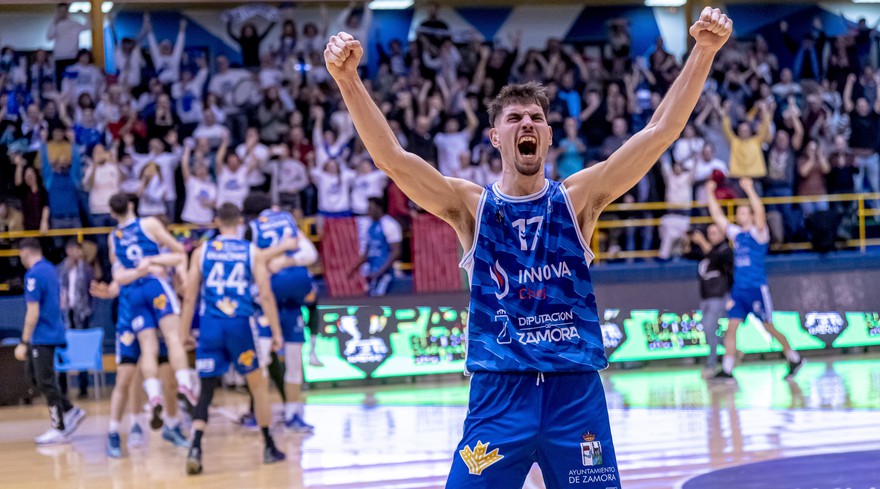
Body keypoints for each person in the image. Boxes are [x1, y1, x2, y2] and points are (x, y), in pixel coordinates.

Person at [323, 9, 731, 486]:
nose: (527, 123)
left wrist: (703, 52)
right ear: (496, 136)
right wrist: (348, 79)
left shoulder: (577, 198)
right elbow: (392, 159)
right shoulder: (472, 207)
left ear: (549, 135)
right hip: (500, 394)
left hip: (574, 392)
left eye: (536, 117)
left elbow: (659, 132)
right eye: (514, 118)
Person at [179, 203, 290, 475]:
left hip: (210, 326)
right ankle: (268, 445)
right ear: (240, 221)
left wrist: (183, 333)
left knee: (205, 390)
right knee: (258, 386)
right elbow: (265, 295)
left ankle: (195, 446)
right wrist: (276, 332)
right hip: (240, 325)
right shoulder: (251, 252)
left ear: (216, 222)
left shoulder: (202, 251)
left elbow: (190, 295)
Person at [108, 193, 198, 423]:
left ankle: (154, 395)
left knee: (148, 348)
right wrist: (154, 263)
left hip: (133, 294)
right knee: (173, 338)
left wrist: (136, 271)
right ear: (131, 205)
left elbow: (118, 276)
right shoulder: (148, 224)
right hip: (155, 286)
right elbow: (179, 253)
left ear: (111, 213)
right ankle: (185, 385)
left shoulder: (113, 238)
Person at [705, 177, 804, 382]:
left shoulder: (759, 233)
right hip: (739, 290)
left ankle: (794, 357)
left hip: (757, 289)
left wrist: (749, 190)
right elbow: (718, 217)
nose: (739, 215)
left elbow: (759, 212)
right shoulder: (737, 235)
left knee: (769, 327)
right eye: (739, 212)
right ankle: (728, 369)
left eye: (742, 212)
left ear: (749, 215)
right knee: (731, 327)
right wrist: (709, 193)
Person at [244, 193, 320, 429]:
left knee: (262, 361)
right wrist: (285, 250)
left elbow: (250, 260)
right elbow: (309, 254)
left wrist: (278, 260)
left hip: (272, 299)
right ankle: (289, 415)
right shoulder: (287, 221)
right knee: (291, 363)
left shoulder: (252, 228)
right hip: (289, 296)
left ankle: (265, 415)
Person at [89, 280, 189, 457]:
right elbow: (116, 282)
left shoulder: (159, 265)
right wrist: (110, 290)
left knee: (169, 380)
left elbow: (179, 286)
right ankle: (117, 430)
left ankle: (172, 425)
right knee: (126, 378)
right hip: (129, 324)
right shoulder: (128, 264)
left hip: (158, 323)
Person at [14, 238, 86, 445]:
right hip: (50, 333)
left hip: (43, 336)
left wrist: (23, 342)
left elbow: (33, 311)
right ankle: (71, 410)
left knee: (44, 381)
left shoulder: (34, 274)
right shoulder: (50, 269)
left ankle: (59, 427)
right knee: (35, 378)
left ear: (25, 254)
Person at [689, 225, 733, 376]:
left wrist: (701, 241)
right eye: (708, 234)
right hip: (705, 297)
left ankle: (711, 363)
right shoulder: (706, 251)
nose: (710, 236)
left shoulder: (725, 251)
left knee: (709, 328)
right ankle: (731, 349)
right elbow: (688, 253)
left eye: (714, 233)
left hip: (719, 296)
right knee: (708, 331)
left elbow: (716, 258)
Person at [57, 239, 95, 399]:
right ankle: (63, 388)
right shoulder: (60, 269)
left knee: (82, 349)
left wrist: (89, 310)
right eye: (71, 249)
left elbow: (91, 291)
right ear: (67, 251)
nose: (75, 253)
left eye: (77, 250)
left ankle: (83, 387)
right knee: (63, 349)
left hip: (82, 313)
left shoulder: (86, 269)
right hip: (65, 313)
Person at [350, 197, 402, 297]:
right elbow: (367, 253)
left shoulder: (389, 225)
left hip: (386, 274)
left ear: (379, 208)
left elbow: (396, 252)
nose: (368, 211)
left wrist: (380, 272)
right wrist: (353, 269)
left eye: (371, 208)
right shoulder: (370, 227)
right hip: (373, 274)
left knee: (380, 303)